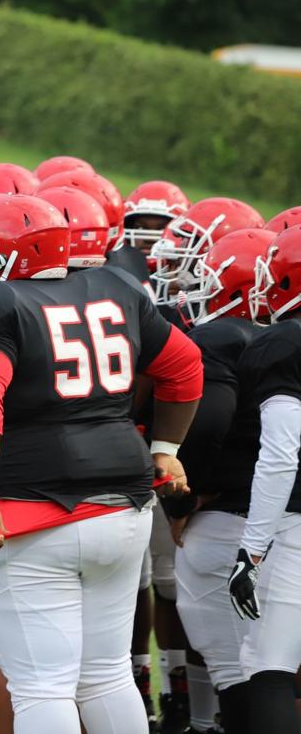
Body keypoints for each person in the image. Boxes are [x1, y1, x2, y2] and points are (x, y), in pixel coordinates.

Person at [0, 194, 201, 734]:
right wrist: (165, 450)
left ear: (4, 254)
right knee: (106, 675)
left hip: (32, 512)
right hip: (123, 509)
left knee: (42, 685)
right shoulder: (116, 287)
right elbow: (184, 365)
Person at [162, 229, 275, 734]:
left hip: (231, 518)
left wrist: (185, 496)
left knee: (237, 668)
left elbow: (207, 424)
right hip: (283, 521)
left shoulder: (222, 340)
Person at [226, 226, 301, 732]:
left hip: (295, 527)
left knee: (269, 664)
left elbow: (280, 454)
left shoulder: (284, 343)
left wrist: (251, 550)